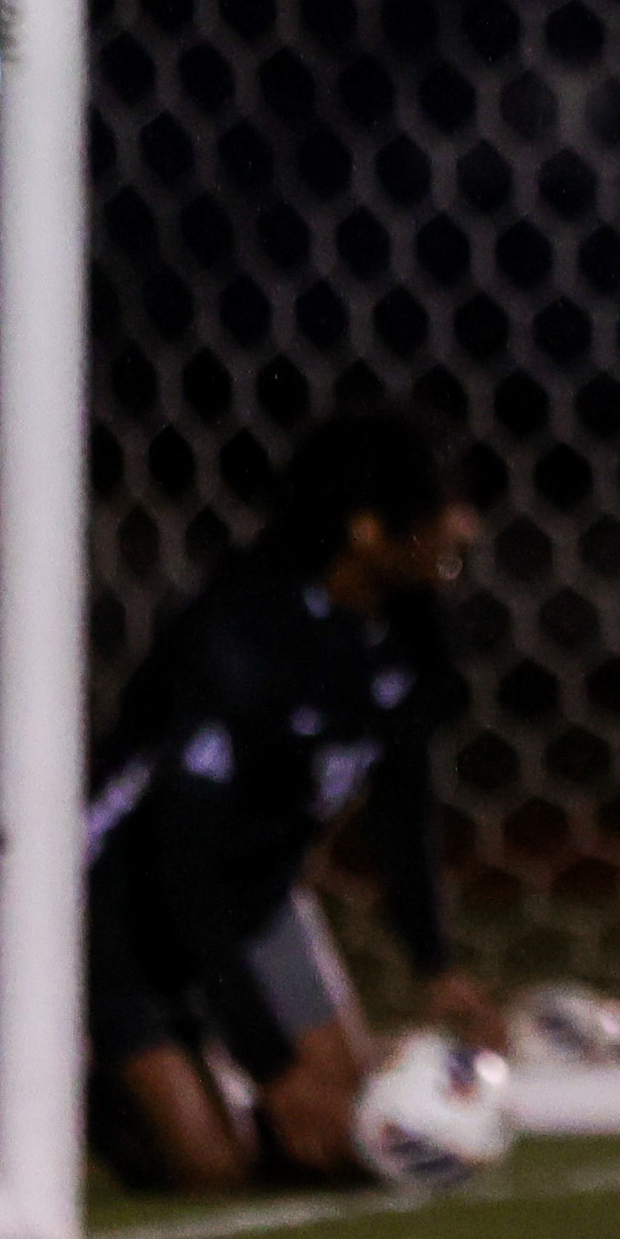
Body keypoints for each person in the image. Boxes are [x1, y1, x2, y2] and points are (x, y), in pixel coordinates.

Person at [81, 408, 496, 1194]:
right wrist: (271, 1066)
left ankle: (210, 1077)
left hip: (257, 901)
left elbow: (400, 809)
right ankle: (107, 1091)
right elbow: (179, 866)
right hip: (125, 906)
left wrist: (434, 962)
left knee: (352, 1138)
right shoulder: (237, 638)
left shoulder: (409, 636)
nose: (466, 526)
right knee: (213, 1169)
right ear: (368, 532)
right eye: (445, 507)